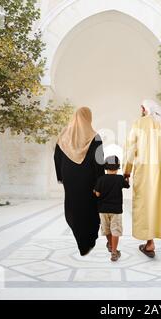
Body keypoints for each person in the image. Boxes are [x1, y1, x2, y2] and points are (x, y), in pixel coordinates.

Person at [123, 99, 161, 258]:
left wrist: (126, 171)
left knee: (145, 204)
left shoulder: (139, 123)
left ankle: (150, 242)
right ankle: (150, 242)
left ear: (144, 109)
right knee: (157, 203)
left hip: (145, 170)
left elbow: (130, 149)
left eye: (141, 108)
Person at [54, 107, 105, 256]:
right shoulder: (95, 137)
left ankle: (81, 241)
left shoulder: (63, 136)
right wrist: (100, 181)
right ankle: (88, 240)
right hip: (88, 178)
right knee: (89, 206)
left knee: (73, 205)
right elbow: (99, 161)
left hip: (70, 177)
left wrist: (61, 176)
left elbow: (56, 157)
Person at [94, 155, 130, 262]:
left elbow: (97, 194)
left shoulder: (101, 179)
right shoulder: (119, 179)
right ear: (117, 167)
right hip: (116, 210)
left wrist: (95, 191)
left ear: (105, 167)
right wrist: (126, 177)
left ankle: (110, 244)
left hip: (103, 210)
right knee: (115, 230)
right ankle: (114, 252)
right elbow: (127, 185)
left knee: (107, 229)